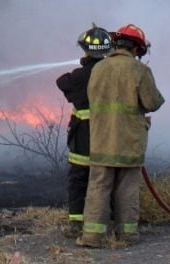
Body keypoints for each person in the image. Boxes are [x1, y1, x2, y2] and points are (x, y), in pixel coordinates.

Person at [77, 23, 164, 248]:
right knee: (127, 189)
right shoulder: (140, 71)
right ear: (136, 49)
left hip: (101, 139)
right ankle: (127, 236)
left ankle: (92, 237)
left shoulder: (99, 68)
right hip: (129, 141)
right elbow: (152, 102)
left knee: (98, 187)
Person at [55, 25, 112, 238]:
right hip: (109, 137)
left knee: (79, 180)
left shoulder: (81, 76)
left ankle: (78, 225)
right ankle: (108, 222)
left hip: (83, 139)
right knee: (107, 179)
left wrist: (84, 65)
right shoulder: (112, 74)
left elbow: (62, 82)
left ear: (86, 50)